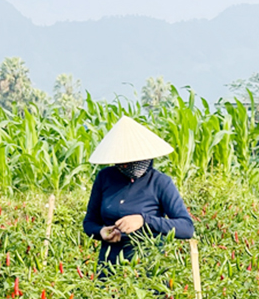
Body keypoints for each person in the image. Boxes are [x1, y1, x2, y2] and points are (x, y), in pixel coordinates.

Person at [82, 116, 195, 276]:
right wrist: (101, 232)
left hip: (147, 270)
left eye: (131, 161)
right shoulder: (105, 178)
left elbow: (186, 228)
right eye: (121, 161)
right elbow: (89, 222)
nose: (126, 166)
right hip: (110, 270)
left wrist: (144, 221)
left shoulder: (160, 182)